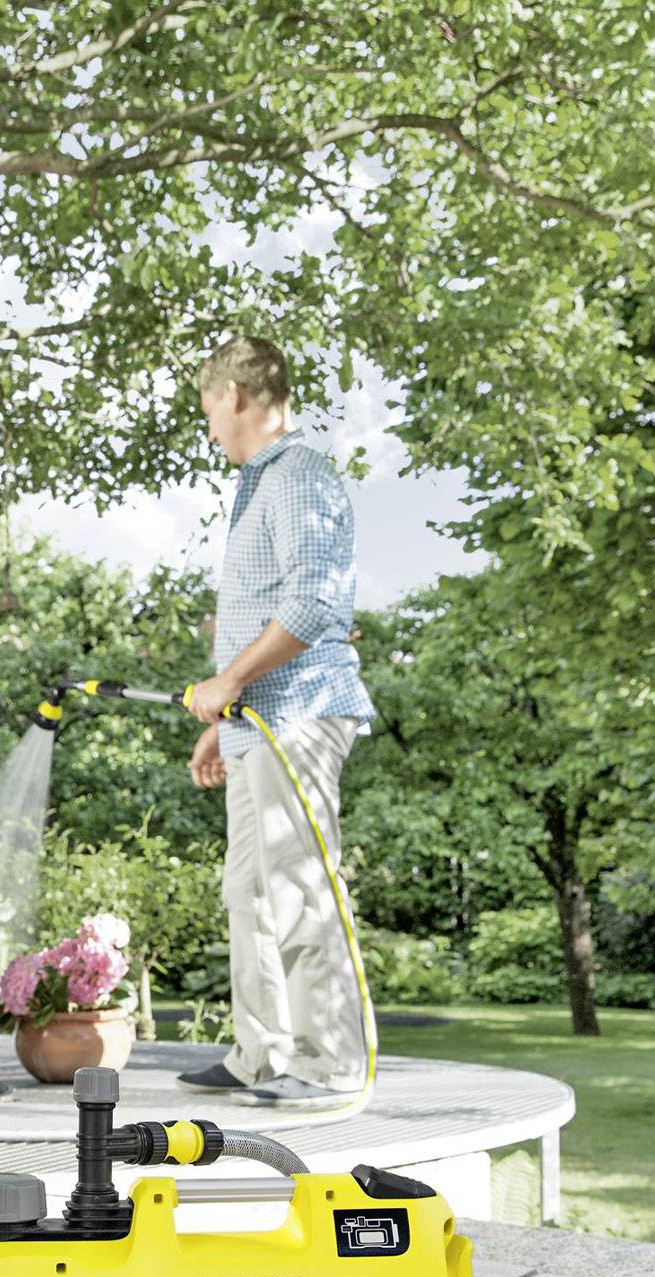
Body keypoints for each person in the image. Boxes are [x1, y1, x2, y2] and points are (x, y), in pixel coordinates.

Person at [177, 337, 374, 1107]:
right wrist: (219, 718)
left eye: (208, 411)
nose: (210, 428)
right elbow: (265, 614)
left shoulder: (300, 476)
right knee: (249, 893)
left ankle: (331, 1066)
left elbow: (315, 603)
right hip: (258, 721)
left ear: (234, 394)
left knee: (296, 886)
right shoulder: (261, 486)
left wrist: (228, 681)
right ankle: (260, 1054)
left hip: (300, 715)